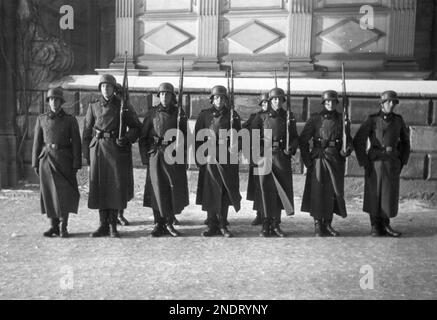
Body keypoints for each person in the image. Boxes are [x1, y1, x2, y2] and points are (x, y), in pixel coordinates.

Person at [82, 74, 142, 238]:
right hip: (98, 150)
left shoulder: (123, 106)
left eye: (108, 86)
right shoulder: (93, 106)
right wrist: (87, 154)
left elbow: (137, 127)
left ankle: (113, 225)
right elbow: (87, 132)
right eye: (103, 86)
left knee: (114, 188)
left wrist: (127, 139)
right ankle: (102, 224)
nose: (105, 89)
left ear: (114, 89)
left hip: (116, 150)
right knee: (100, 186)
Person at [353, 91, 410, 237]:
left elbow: (405, 142)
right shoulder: (372, 120)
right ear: (382, 103)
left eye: (394, 102)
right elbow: (358, 140)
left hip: (391, 162)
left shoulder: (398, 120)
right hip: (375, 162)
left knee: (388, 194)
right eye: (389, 102)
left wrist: (402, 160)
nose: (392, 105)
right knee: (374, 193)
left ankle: (385, 224)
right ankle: (374, 226)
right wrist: (365, 161)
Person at [299, 90, 353, 237]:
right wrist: (307, 161)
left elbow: (349, 141)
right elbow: (303, 140)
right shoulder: (315, 119)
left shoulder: (342, 119)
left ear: (337, 103)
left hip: (335, 160)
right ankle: (317, 224)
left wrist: (346, 150)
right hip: (319, 159)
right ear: (323, 103)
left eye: (333, 101)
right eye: (327, 101)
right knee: (318, 192)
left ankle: (328, 224)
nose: (330, 104)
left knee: (333, 192)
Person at [139, 83, 189, 237]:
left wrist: (183, 157)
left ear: (172, 97)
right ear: (158, 96)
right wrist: (146, 158)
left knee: (171, 188)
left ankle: (168, 222)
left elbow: (186, 137)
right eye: (161, 94)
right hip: (156, 155)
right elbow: (143, 137)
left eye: (167, 94)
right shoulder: (152, 113)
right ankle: (158, 224)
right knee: (156, 189)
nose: (164, 97)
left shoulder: (179, 114)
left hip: (172, 155)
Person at [32, 87, 81, 238]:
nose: (54, 102)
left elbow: (76, 144)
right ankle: (53, 226)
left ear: (61, 102)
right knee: (49, 193)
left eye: (57, 99)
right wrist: (35, 162)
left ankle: (63, 226)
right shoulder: (41, 119)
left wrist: (76, 163)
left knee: (64, 194)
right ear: (49, 102)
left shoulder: (70, 120)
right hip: (46, 159)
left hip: (64, 160)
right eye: (51, 99)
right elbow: (37, 142)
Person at [250, 88, 299, 237]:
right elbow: (251, 137)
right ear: (270, 101)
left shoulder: (288, 117)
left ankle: (276, 224)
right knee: (265, 191)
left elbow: (295, 137)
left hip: (281, 158)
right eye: (274, 99)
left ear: (283, 101)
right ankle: (265, 224)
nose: (277, 101)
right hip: (264, 157)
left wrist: (291, 148)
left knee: (279, 191)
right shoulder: (261, 117)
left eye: (280, 99)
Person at [195, 85, 242, 238]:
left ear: (226, 100)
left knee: (225, 191)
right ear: (212, 99)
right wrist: (199, 158)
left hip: (226, 158)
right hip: (209, 157)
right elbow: (197, 138)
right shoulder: (204, 115)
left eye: (222, 97)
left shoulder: (233, 116)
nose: (219, 100)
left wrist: (234, 148)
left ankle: (223, 224)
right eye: (216, 97)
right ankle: (211, 224)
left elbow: (239, 137)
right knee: (210, 191)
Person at [243, 93, 269, 226]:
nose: (266, 105)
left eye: (268, 102)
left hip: (271, 155)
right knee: (259, 186)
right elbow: (244, 133)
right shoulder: (255, 117)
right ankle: (259, 214)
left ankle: (270, 216)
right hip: (258, 154)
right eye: (264, 103)